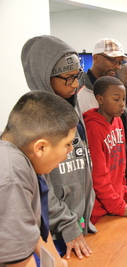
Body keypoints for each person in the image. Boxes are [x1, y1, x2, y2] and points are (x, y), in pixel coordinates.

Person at [21, 35, 96, 260]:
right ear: (44, 76)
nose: (75, 84)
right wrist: (68, 225)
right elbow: (42, 188)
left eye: (78, 76)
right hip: (55, 235)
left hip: (78, 226)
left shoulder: (70, 106)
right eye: (68, 78)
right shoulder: (33, 120)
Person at [0, 90, 78, 267]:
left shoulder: (25, 158)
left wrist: (57, 263)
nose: (70, 150)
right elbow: (18, 261)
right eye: (67, 144)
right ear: (41, 148)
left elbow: (33, 229)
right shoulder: (12, 177)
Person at [83, 76, 127, 224]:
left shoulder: (117, 120)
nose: (122, 104)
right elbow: (98, 175)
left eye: (124, 99)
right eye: (116, 99)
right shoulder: (93, 127)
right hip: (101, 211)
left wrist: (123, 194)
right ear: (100, 99)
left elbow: (120, 162)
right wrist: (118, 206)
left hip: (115, 203)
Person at [78, 38, 127, 113]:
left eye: (119, 63)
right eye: (113, 60)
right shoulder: (78, 87)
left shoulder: (120, 87)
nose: (117, 67)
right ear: (96, 58)